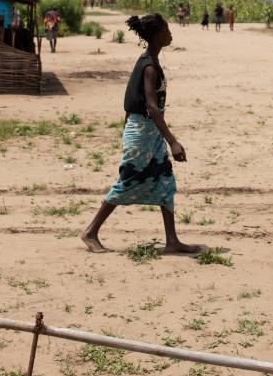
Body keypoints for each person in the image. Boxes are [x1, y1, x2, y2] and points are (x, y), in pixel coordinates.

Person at [81, 14, 205, 255]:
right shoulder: (148, 66)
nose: (170, 33)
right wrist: (173, 141)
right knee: (127, 182)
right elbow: (150, 107)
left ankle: (172, 241)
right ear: (156, 35)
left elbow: (132, 104)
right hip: (142, 134)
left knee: (165, 181)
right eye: (166, 29)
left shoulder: (150, 62)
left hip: (149, 134)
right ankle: (90, 232)